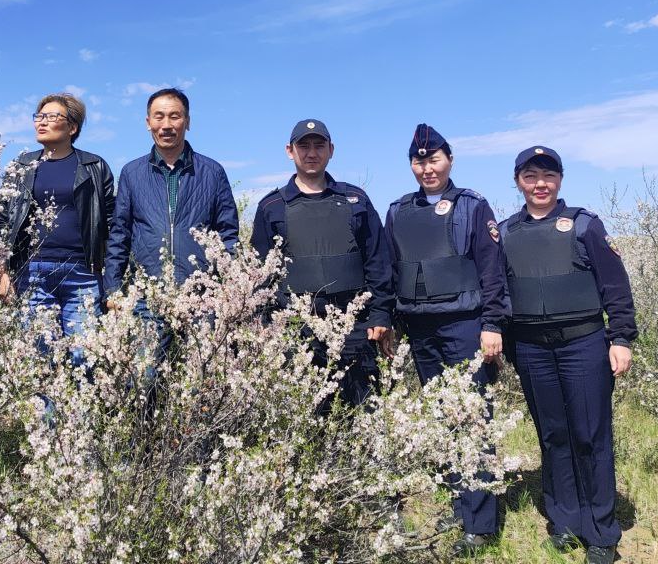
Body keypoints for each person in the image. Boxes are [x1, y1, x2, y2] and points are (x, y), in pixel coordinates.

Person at [498, 146, 636, 564]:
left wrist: (622, 338)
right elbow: (499, 292)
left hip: (584, 343)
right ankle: (563, 522)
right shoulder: (504, 233)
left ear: (560, 180)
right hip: (531, 348)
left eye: (548, 175)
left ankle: (601, 533)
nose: (540, 183)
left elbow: (615, 285)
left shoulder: (584, 226)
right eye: (530, 176)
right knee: (553, 435)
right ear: (518, 181)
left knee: (590, 436)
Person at [385, 124, 508, 555]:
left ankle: (480, 524)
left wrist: (493, 324)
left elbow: (492, 270)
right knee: (442, 421)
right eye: (419, 160)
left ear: (449, 160)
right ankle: (460, 504)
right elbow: (392, 271)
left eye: (434, 158)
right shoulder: (398, 211)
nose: (427, 167)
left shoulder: (472, 206)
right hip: (420, 331)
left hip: (464, 326)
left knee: (472, 418)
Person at [250, 119, 393, 409]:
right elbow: (259, 274)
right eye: (304, 145)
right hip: (297, 329)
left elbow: (378, 261)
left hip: (355, 326)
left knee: (366, 414)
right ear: (290, 151)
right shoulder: (271, 207)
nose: (311, 152)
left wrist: (381, 315)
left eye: (319, 145)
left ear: (331, 150)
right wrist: (265, 324)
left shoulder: (356, 200)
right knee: (307, 418)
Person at [102, 87, 241, 359]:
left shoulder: (212, 172)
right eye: (159, 117)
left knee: (205, 377)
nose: (166, 125)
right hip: (147, 294)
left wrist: (230, 289)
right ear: (148, 122)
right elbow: (120, 233)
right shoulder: (132, 173)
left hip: (203, 295)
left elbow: (228, 233)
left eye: (175, 117)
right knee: (144, 376)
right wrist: (113, 289)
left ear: (187, 122)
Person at [0, 93, 115, 369]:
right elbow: (3, 220)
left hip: (83, 273)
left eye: (52, 117)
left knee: (83, 360)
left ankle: (80, 415)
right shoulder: (21, 167)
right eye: (39, 116)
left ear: (72, 127)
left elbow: (111, 222)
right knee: (39, 362)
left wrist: (109, 276)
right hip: (32, 272)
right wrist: (2, 271)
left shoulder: (93, 166)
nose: (42, 122)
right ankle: (46, 414)